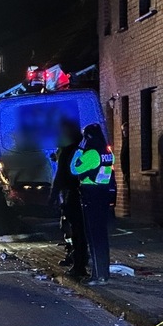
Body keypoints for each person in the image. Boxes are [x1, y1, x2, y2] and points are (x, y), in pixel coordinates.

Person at [70, 123, 115, 286]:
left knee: (94, 238)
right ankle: (104, 273)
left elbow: (74, 169)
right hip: (103, 194)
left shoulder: (91, 154)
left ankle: (98, 276)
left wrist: (79, 150)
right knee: (102, 237)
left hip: (91, 195)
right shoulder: (107, 152)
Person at [49, 120, 87, 278]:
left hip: (73, 195)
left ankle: (79, 265)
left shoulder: (70, 150)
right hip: (83, 195)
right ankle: (77, 259)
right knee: (77, 232)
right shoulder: (81, 148)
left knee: (76, 232)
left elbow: (61, 175)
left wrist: (53, 196)